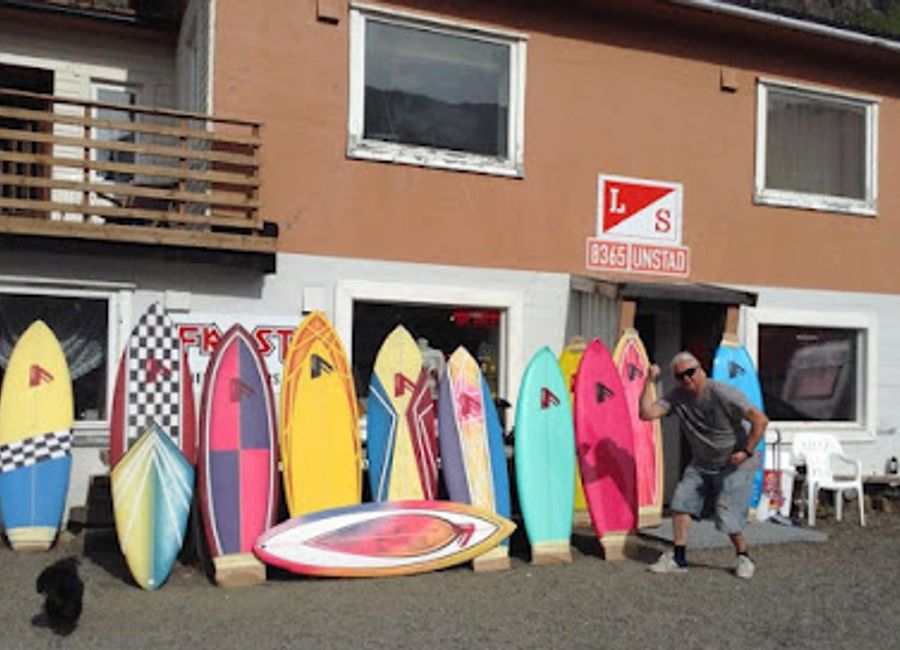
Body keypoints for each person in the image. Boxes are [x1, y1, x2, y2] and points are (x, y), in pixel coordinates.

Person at [639, 351, 769, 579]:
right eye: (680, 376)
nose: (687, 379)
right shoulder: (678, 396)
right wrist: (648, 381)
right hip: (702, 461)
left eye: (690, 372)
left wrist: (746, 451)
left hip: (734, 462)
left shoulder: (722, 392)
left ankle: (744, 557)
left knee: (727, 515)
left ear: (701, 370)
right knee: (681, 504)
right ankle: (679, 559)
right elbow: (647, 414)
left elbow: (760, 420)